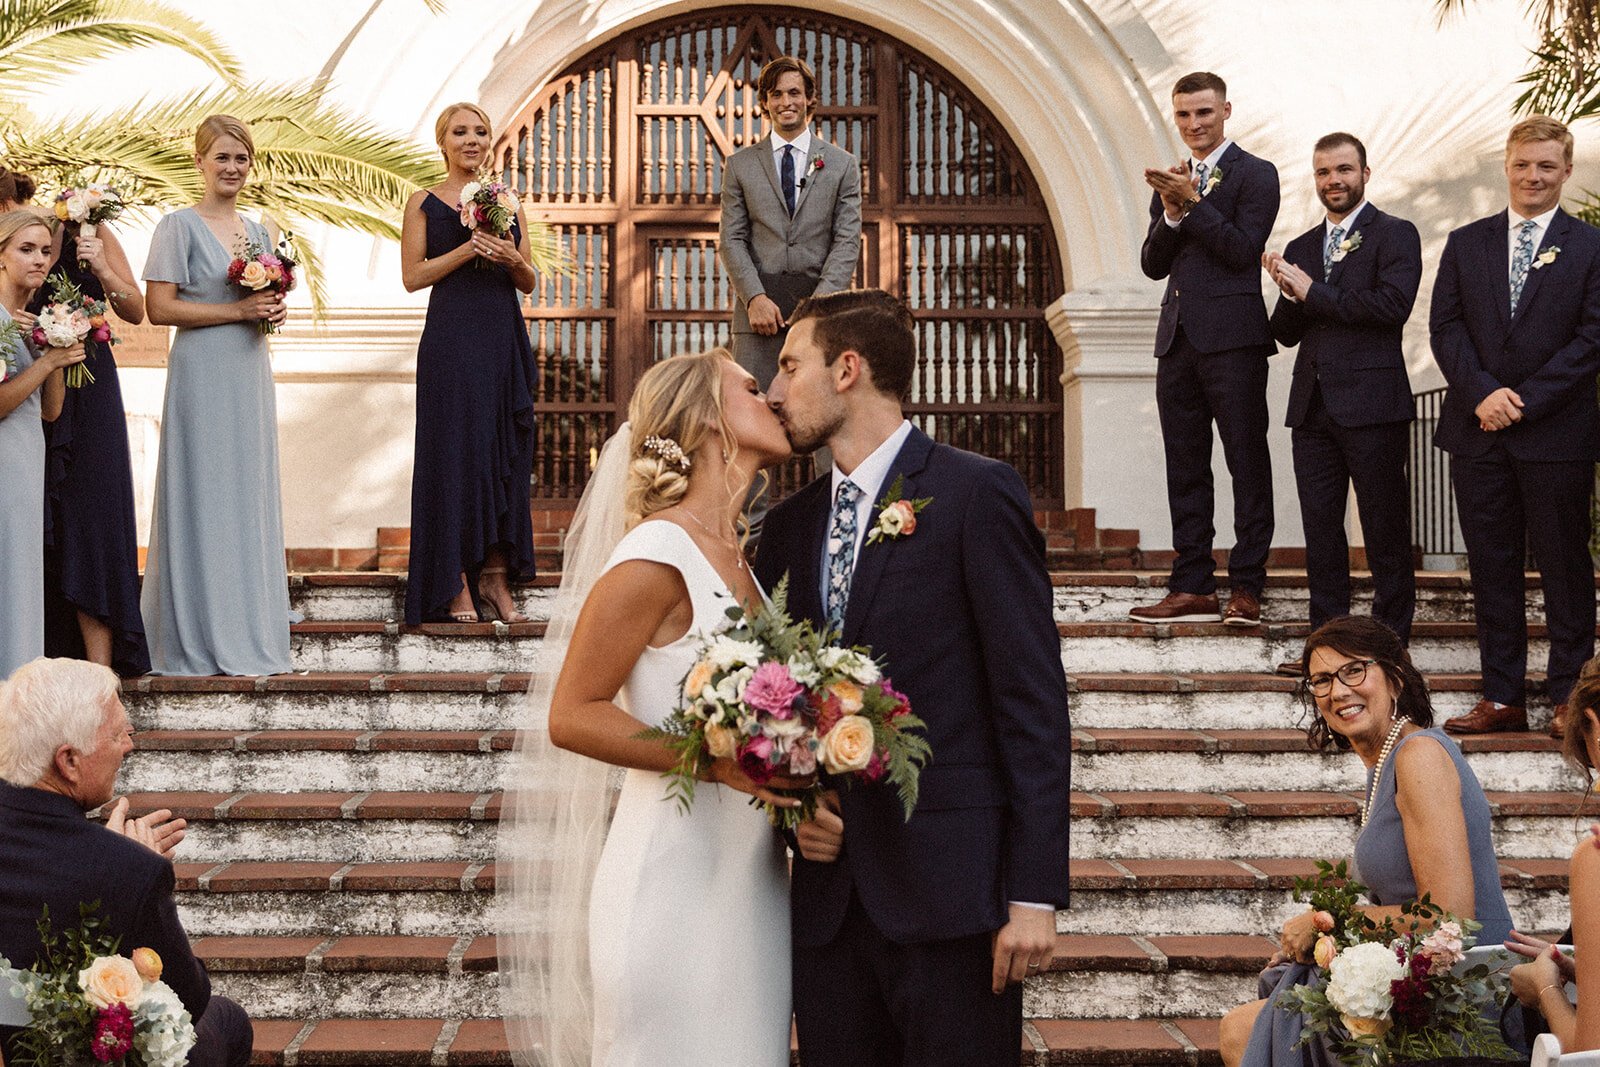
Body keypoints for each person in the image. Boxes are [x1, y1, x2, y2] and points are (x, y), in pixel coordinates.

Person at [754, 289, 1071, 1066]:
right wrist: (793, 808)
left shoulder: (974, 492)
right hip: (828, 910)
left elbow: (1031, 702)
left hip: (952, 895)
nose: (773, 389)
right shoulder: (788, 525)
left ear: (848, 369)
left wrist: (1033, 894)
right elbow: (767, 697)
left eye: (790, 365)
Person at [497, 347, 810, 1066]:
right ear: (705, 419)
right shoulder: (656, 551)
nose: (775, 398)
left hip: (752, 889)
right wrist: (713, 762)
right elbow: (572, 711)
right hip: (671, 886)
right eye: (753, 388)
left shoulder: (745, 564)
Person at [1218, 615, 1515, 1066]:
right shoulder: (1387, 763)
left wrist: (1327, 923)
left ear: (1395, 677)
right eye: (1321, 680)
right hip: (1420, 983)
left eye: (1354, 670)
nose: (1337, 691)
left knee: (1241, 1030)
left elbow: (1450, 916)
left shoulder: (1418, 757)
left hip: (1461, 997)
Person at [1430, 115, 1600, 739]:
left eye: (1547, 166)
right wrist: (1482, 394)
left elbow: (1592, 338)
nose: (1533, 176)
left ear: (1566, 172)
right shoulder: (1465, 242)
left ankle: (1567, 700)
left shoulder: (1590, 247)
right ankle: (1502, 698)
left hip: (1555, 435)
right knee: (1491, 566)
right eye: (1524, 164)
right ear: (1507, 165)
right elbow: (1444, 328)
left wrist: (1522, 401)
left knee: (1564, 568)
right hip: (1478, 432)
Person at [0, 657, 252, 1067]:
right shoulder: (129, 870)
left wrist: (106, 853)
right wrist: (129, 864)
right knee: (227, 1019)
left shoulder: (113, 864)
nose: (129, 745)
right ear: (69, 761)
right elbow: (187, 997)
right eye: (118, 734)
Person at [141, 114, 295, 676]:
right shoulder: (176, 226)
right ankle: (196, 633)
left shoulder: (262, 231)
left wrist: (272, 310)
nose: (232, 168)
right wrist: (236, 310)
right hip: (201, 373)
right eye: (222, 157)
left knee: (245, 495)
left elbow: (264, 303)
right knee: (203, 491)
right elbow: (159, 309)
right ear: (200, 161)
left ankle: (248, 625)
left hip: (249, 370)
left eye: (241, 159)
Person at [1263, 132, 1419, 672]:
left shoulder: (1396, 235)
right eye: (1324, 173)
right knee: (1321, 533)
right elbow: (1285, 333)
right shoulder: (1304, 247)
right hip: (1312, 408)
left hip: (1374, 405)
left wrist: (1313, 293)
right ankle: (1325, 646)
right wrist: (1287, 291)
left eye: (1344, 170)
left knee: (1384, 527)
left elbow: (1390, 307)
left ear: (1365, 174)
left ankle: (1389, 646)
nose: (1334, 181)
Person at [1131, 71, 1279, 627]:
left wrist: (1191, 203)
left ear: (1226, 111)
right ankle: (1192, 583)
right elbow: (1152, 265)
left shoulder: (1256, 173)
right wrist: (1170, 211)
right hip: (1177, 342)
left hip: (1234, 340)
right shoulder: (1171, 181)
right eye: (1185, 115)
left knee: (1246, 461)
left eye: (1204, 114)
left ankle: (1247, 587)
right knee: (1185, 465)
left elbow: (1243, 251)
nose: (1194, 125)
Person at [401, 102, 539, 625]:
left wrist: (512, 258)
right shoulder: (422, 203)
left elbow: (528, 281)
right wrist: (467, 251)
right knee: (455, 455)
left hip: (501, 338)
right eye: (460, 132)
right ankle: (453, 577)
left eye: (480, 131)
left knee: (502, 451)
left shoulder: (506, 200)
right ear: (443, 142)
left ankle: (496, 576)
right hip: (451, 344)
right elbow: (412, 276)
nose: (472, 140)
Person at [15, 176, 151, 677]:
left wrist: (101, 269)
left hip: (89, 389)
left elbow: (136, 309)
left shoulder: (80, 231)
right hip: (26, 380)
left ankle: (101, 673)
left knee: (91, 514)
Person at [718, 55, 863, 523]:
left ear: (811, 100)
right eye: (777, 94)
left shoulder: (841, 165)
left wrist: (816, 309)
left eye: (794, 92)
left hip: (820, 312)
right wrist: (754, 297)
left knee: (826, 413)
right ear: (764, 103)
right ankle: (750, 535)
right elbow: (732, 238)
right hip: (757, 314)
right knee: (753, 419)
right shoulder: (740, 165)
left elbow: (846, 240)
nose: (787, 101)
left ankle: (831, 523)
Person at [0, 210, 84, 679]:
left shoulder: (30, 322)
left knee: (22, 574)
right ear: (1, 256)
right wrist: (47, 361)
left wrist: (58, 348)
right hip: (3, 461)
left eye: (46, 251)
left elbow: (50, 411)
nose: (39, 259)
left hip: (28, 458)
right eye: (26, 249)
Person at [1505, 657, 1600, 1051]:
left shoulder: (1595, 856)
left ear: (1593, 726)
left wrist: (1544, 986)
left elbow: (1590, 1053)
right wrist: (1586, 973)